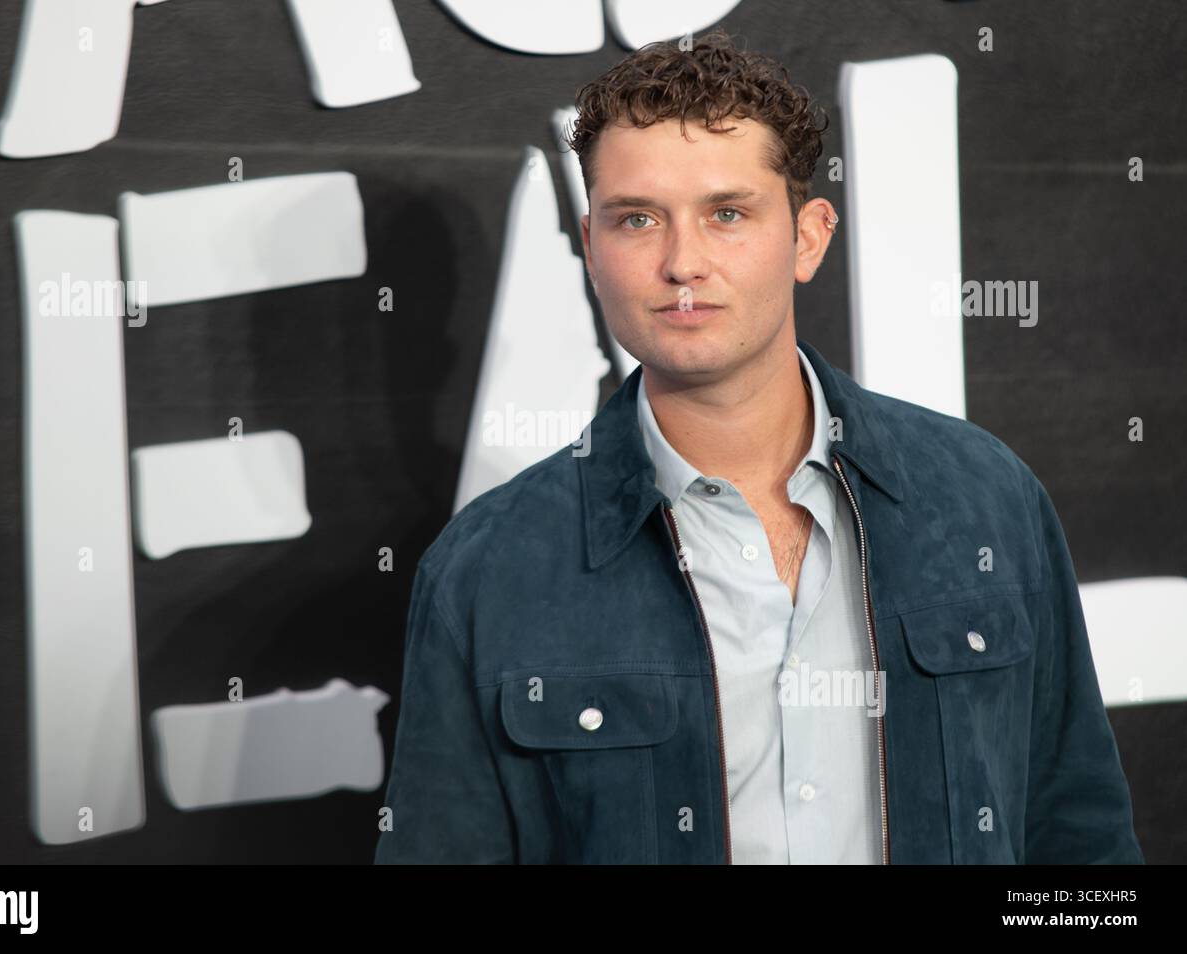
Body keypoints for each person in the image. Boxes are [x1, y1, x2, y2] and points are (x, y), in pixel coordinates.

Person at [373, 30, 1143, 864]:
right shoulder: (489, 570)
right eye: (637, 220)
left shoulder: (987, 499)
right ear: (592, 249)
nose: (682, 263)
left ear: (809, 237)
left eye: (727, 214)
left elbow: (1080, 839)